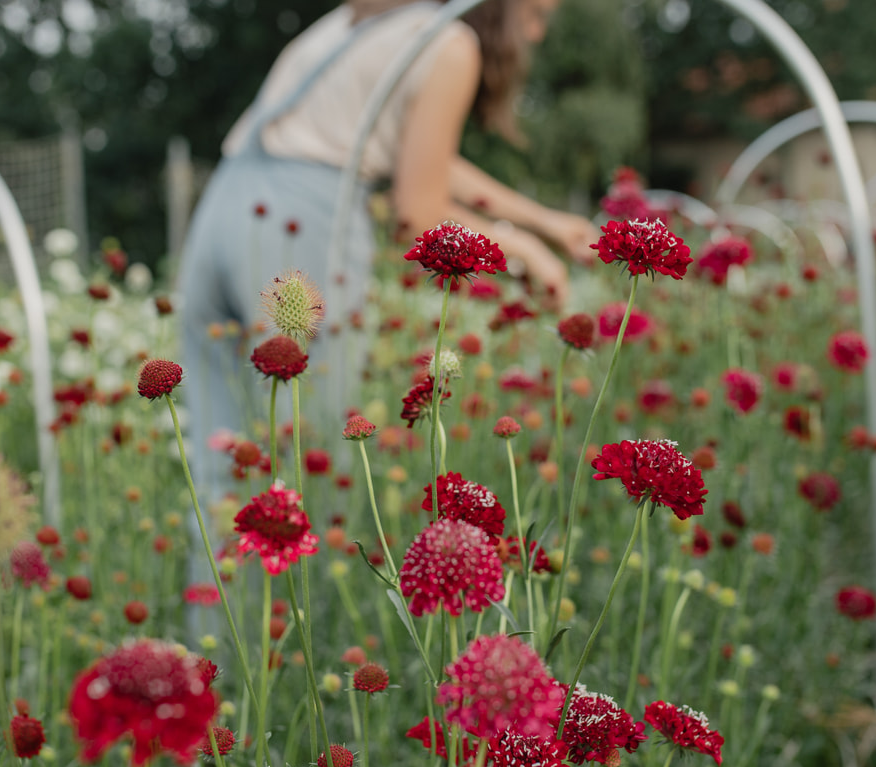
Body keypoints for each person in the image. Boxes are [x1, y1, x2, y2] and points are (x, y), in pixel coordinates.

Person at [175, 0, 598, 588]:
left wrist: (544, 222)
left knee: (219, 467)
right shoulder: (452, 44)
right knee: (312, 463)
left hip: (222, 208)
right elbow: (418, 210)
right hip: (303, 220)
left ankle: (214, 659)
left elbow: (426, 160)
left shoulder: (356, 23)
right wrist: (520, 249)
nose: (538, 32)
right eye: (537, 14)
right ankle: (305, 652)